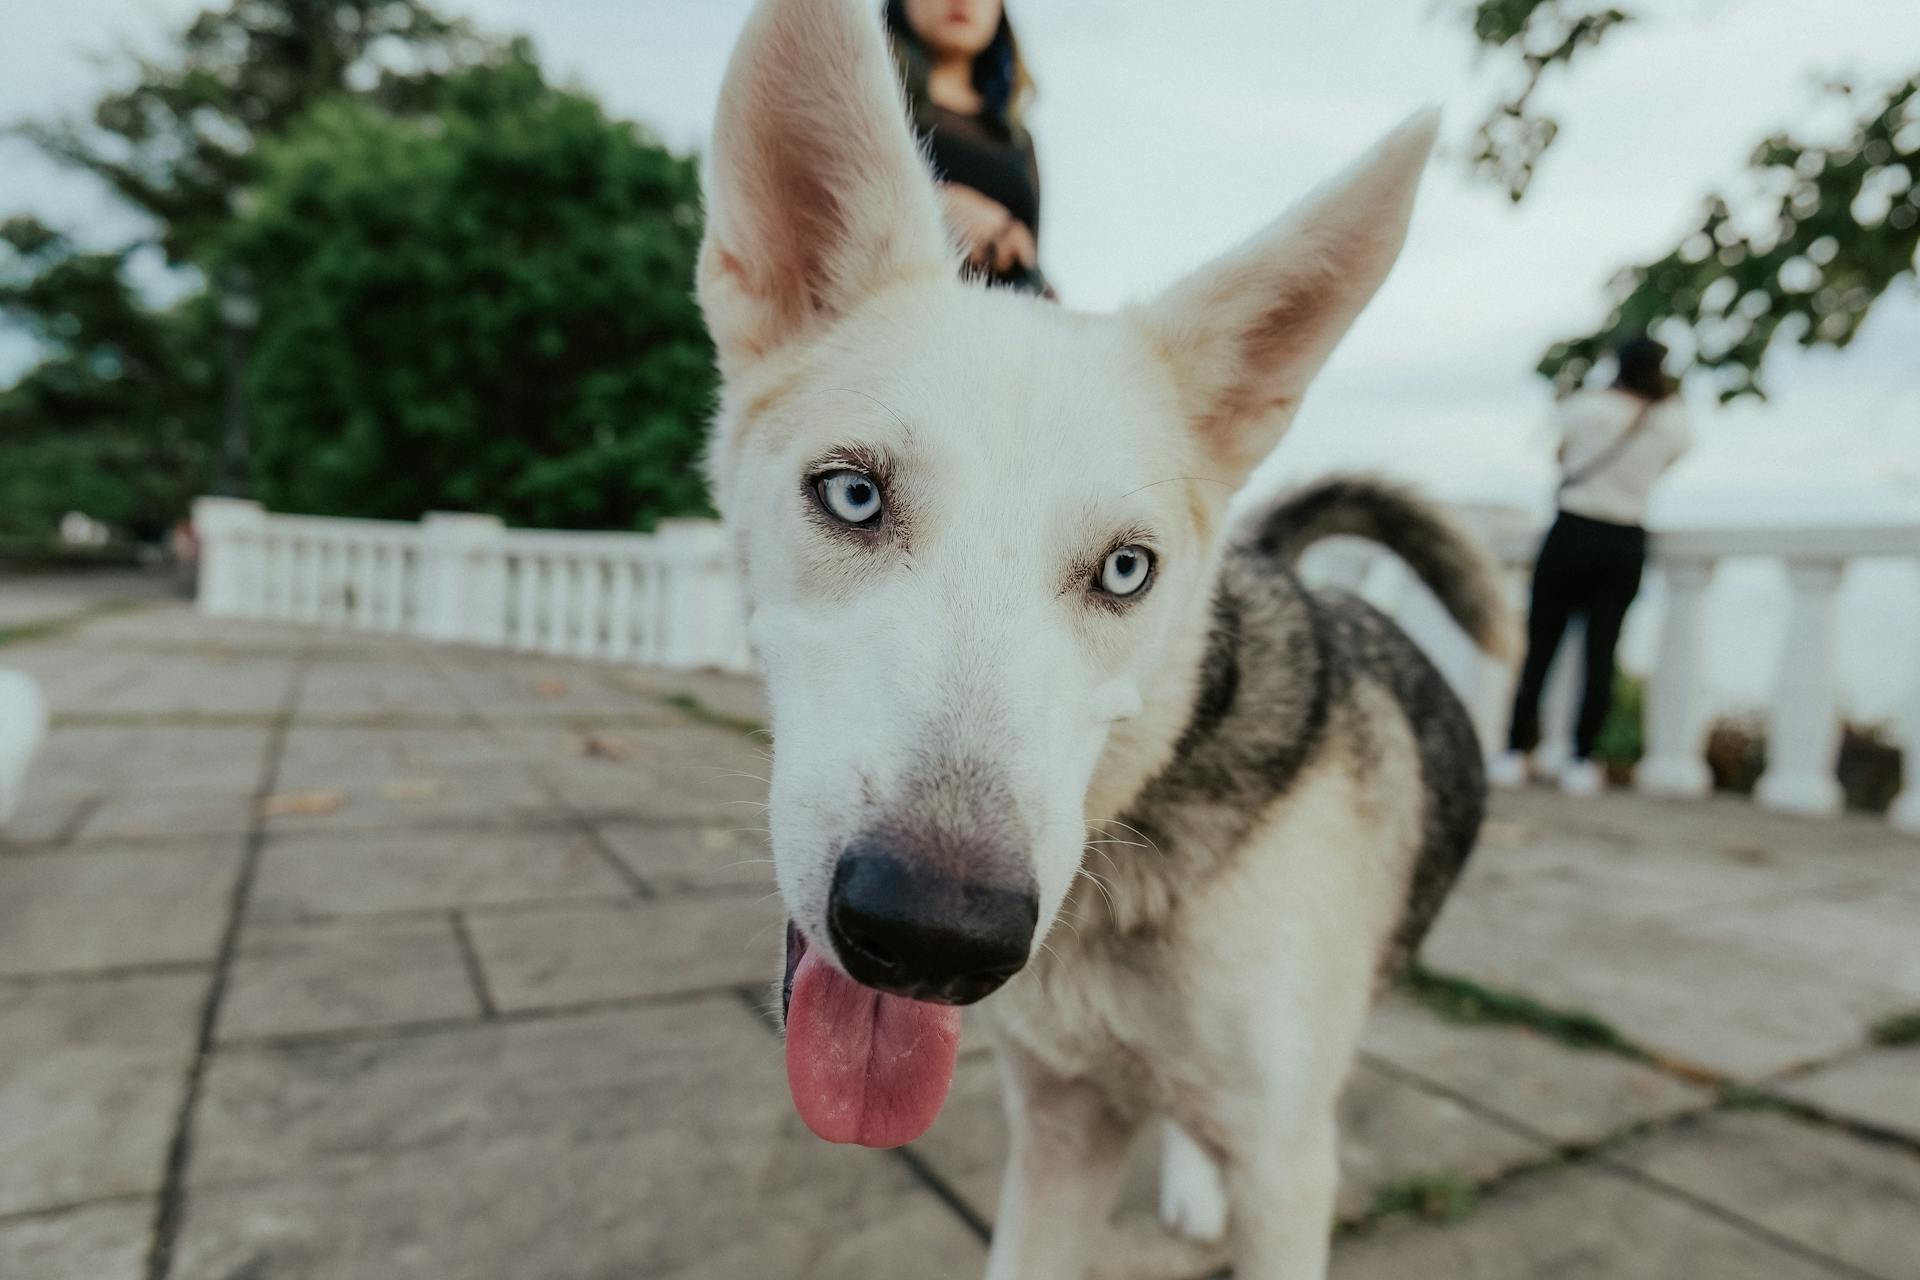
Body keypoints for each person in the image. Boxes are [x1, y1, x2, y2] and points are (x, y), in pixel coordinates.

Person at [1490, 337, 1692, 796]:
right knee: (1602, 654)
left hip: (1573, 530)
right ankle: (1583, 760)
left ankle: (1511, 752)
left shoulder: (1587, 408)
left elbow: (1560, 456)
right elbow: (1670, 462)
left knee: (1541, 647)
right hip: (1624, 539)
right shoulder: (1672, 422)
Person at [883, 0, 1050, 295]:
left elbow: (1033, 257)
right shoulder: (874, 108)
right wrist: (939, 205)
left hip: (1003, 325)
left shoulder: (1017, 139)